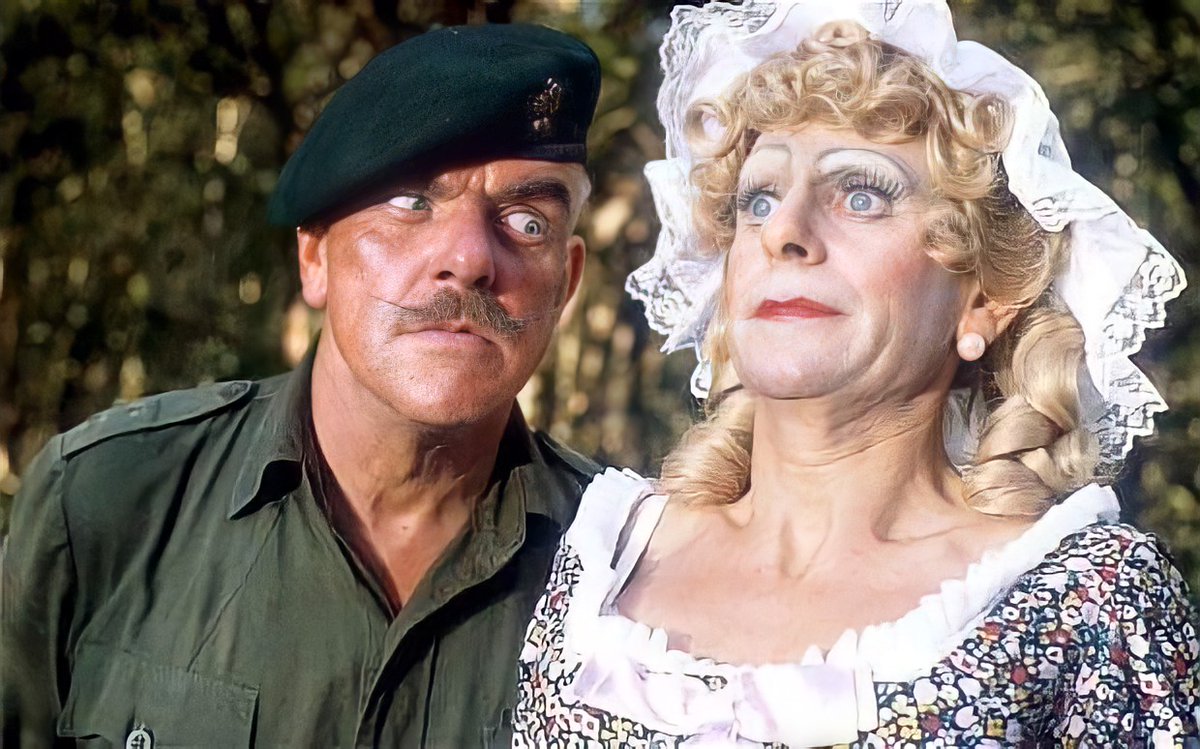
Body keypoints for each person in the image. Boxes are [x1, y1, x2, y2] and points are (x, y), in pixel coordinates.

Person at [513, 1, 1198, 746]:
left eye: (862, 196)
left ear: (983, 300)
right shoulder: (595, 557)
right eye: (759, 200)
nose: (783, 231)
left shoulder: (1088, 596)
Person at [1, 23, 600, 748]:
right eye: (411, 202)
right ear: (315, 257)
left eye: (527, 221)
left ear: (565, 285)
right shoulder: (107, 501)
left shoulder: (623, 572)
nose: (471, 258)